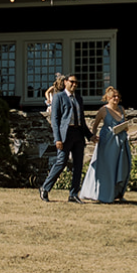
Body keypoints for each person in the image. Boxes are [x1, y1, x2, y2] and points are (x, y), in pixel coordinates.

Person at [38, 75, 90, 203]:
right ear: (66, 82)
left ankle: (73, 194)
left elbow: (82, 120)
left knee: (78, 165)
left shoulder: (79, 98)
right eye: (72, 82)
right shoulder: (58, 97)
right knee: (61, 162)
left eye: (76, 83)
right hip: (65, 134)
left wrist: (90, 135)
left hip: (78, 133)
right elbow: (55, 120)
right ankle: (45, 188)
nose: (74, 84)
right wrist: (57, 139)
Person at [78, 86, 132, 202]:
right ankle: (104, 195)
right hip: (107, 143)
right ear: (108, 98)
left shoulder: (121, 109)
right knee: (108, 168)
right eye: (114, 96)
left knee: (123, 167)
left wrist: (125, 128)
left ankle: (118, 193)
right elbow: (95, 124)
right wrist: (93, 136)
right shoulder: (103, 110)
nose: (116, 98)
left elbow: (125, 124)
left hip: (121, 142)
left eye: (118, 96)